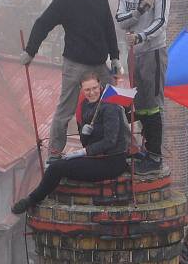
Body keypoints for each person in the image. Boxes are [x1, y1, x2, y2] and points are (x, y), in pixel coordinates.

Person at [21, 0, 120, 162]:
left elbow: (109, 27)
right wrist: (30, 51)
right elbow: (43, 23)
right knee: (64, 111)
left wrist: (116, 57)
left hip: (100, 64)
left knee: (114, 104)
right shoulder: (65, 0)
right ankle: (55, 155)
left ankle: (124, 148)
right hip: (75, 64)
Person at [11, 73, 129, 214]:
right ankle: (34, 198)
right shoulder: (85, 105)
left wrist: (82, 152)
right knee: (59, 164)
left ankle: (31, 200)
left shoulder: (110, 107)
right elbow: (86, 142)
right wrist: (85, 134)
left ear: (100, 86)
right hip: (95, 157)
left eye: (95, 88)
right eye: (87, 90)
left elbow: (110, 141)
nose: (92, 93)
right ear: (81, 89)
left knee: (56, 168)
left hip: (112, 161)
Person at [115, 0, 170, 174]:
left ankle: (156, 156)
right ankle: (147, 151)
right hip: (133, 55)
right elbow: (120, 19)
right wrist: (138, 12)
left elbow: (161, 22)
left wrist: (141, 35)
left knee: (153, 101)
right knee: (142, 103)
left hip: (153, 52)